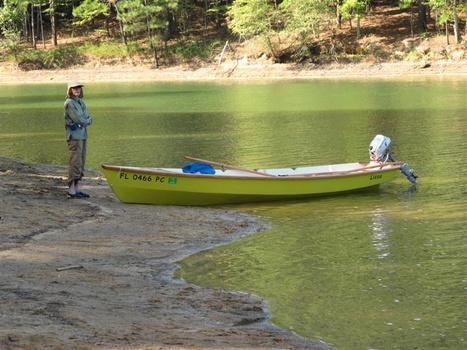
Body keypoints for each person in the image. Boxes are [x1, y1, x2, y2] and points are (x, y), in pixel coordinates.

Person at [64, 80, 93, 199]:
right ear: (70, 90)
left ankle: (76, 189)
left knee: (81, 161)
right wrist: (87, 121)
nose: (77, 90)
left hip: (82, 135)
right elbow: (80, 119)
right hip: (74, 137)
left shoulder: (81, 102)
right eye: (74, 88)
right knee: (75, 162)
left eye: (78, 88)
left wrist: (86, 120)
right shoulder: (69, 103)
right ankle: (71, 191)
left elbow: (86, 116)